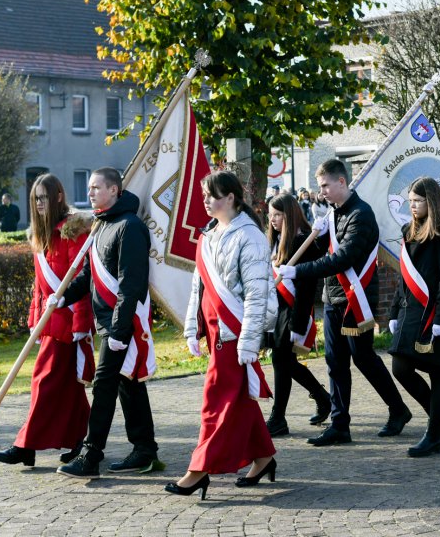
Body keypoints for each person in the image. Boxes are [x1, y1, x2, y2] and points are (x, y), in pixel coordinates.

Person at [277, 159, 411, 446]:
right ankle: (340, 424)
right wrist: (318, 235)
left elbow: (343, 258)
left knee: (364, 359)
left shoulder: (361, 215)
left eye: (325, 185)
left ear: (341, 182)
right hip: (333, 297)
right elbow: (321, 254)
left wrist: (298, 270)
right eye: (320, 186)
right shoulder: (334, 214)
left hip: (356, 299)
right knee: (335, 362)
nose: (321, 191)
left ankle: (398, 409)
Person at [164, 170, 276, 500]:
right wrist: (191, 328)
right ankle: (264, 457)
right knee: (238, 401)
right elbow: (199, 289)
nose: (206, 200)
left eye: (212, 195)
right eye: (204, 195)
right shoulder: (209, 235)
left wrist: (249, 340)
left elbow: (258, 293)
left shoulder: (250, 236)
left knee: (217, 404)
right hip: (215, 334)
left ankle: (197, 472)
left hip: (235, 334)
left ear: (231, 197)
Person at [56, 168, 159, 479]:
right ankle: (144, 450)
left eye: (96, 187)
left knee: (103, 387)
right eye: (89, 188)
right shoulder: (101, 224)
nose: (90, 193)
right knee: (129, 384)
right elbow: (89, 275)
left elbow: (131, 284)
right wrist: (63, 297)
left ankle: (90, 456)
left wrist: (118, 329)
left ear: (114, 190)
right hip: (107, 322)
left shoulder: (130, 226)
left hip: (122, 323)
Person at [0, 175, 95, 468]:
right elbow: (40, 286)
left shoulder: (73, 233)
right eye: (35, 198)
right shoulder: (41, 235)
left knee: (44, 382)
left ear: (58, 196)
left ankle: (25, 445)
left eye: (44, 197)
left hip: (67, 321)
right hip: (49, 321)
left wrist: (80, 326)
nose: (39, 203)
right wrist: (34, 320)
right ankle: (81, 439)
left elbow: (81, 281)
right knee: (68, 387)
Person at [386, 177, 440, 457]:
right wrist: (395, 310)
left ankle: (434, 435)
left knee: (437, 372)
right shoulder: (408, 230)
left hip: (437, 312)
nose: (412, 206)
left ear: (431, 201)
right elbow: (403, 277)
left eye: (418, 201)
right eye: (410, 201)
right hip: (411, 311)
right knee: (400, 367)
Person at [264, 193, 331, 437]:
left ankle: (278, 418)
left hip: (293, 310)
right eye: (270, 214)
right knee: (284, 362)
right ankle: (323, 398)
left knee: (282, 363)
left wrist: (298, 323)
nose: (272, 219)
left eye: (278, 215)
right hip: (277, 309)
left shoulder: (302, 241)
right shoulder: (275, 240)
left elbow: (305, 287)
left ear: (289, 214)